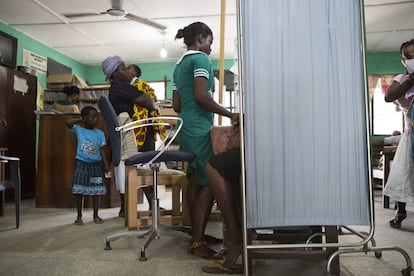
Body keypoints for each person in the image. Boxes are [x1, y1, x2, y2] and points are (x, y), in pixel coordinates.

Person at [172, 21, 238, 259]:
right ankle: (198, 241)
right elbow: (201, 96)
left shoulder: (179, 65)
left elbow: (177, 105)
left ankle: (195, 234)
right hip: (199, 127)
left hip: (184, 127)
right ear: (201, 38)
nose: (211, 49)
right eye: (210, 42)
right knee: (212, 178)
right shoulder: (200, 60)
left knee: (196, 180)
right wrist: (231, 114)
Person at [101, 56, 159, 217]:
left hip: (126, 139)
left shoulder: (115, 89)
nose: (127, 72)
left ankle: (126, 207)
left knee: (139, 167)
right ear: (116, 73)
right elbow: (148, 101)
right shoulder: (120, 87)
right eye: (124, 69)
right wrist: (154, 105)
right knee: (148, 165)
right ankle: (152, 204)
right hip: (134, 137)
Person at [202, 123, 244, 274]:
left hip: (266, 150)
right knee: (233, 172)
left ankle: (235, 237)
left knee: (213, 165)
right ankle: (244, 232)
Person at [384, 38, 414, 229]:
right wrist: (412, 78)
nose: (412, 59)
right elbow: (389, 96)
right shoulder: (402, 79)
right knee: (404, 174)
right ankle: (400, 212)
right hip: (411, 136)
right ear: (403, 60)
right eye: (408, 57)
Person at [66, 106, 111, 225]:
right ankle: (79, 216)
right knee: (79, 190)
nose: (95, 119)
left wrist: (106, 166)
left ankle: (96, 215)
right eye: (92, 117)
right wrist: (80, 120)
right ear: (85, 118)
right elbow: (68, 123)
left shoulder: (100, 133)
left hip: (95, 166)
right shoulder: (79, 129)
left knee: (96, 191)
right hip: (82, 165)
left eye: (97, 117)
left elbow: (102, 150)